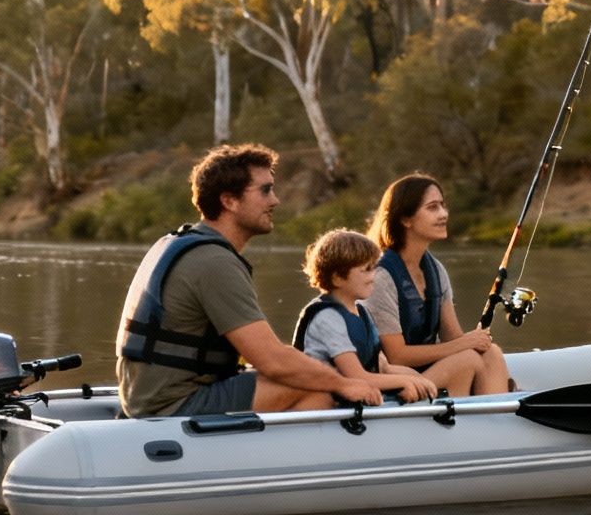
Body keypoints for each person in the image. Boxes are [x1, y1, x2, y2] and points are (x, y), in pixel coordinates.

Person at [115, 143, 384, 418]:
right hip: (173, 404)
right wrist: (345, 383)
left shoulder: (180, 243)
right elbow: (272, 360)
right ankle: (279, 460)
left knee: (304, 376)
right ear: (229, 201)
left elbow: (259, 354)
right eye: (265, 190)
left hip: (148, 397)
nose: (275, 200)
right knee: (317, 389)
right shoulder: (214, 262)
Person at [364, 174, 511, 396]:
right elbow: (397, 356)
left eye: (443, 206)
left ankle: (498, 420)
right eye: (432, 208)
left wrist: (475, 340)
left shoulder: (436, 270)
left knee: (492, 353)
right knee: (467, 359)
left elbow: (453, 337)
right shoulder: (381, 276)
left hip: (427, 373)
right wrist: (466, 344)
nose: (444, 214)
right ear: (405, 219)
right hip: (393, 382)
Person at [292, 229, 456, 400]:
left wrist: (418, 380)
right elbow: (355, 376)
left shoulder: (361, 312)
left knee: (415, 389)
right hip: (325, 404)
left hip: (356, 395)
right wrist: (404, 383)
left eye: (374, 268)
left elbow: (383, 367)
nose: (373, 277)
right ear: (337, 278)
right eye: (366, 270)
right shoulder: (328, 318)